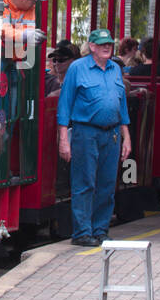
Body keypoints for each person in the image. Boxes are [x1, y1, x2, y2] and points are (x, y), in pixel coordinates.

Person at [57, 28, 132, 247]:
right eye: (101, 44)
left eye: (109, 43)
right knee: (84, 182)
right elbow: (65, 104)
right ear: (91, 47)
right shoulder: (77, 69)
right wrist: (63, 139)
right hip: (86, 132)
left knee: (107, 184)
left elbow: (122, 106)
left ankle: (100, 230)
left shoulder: (115, 69)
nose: (107, 47)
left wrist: (126, 136)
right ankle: (82, 232)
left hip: (112, 133)